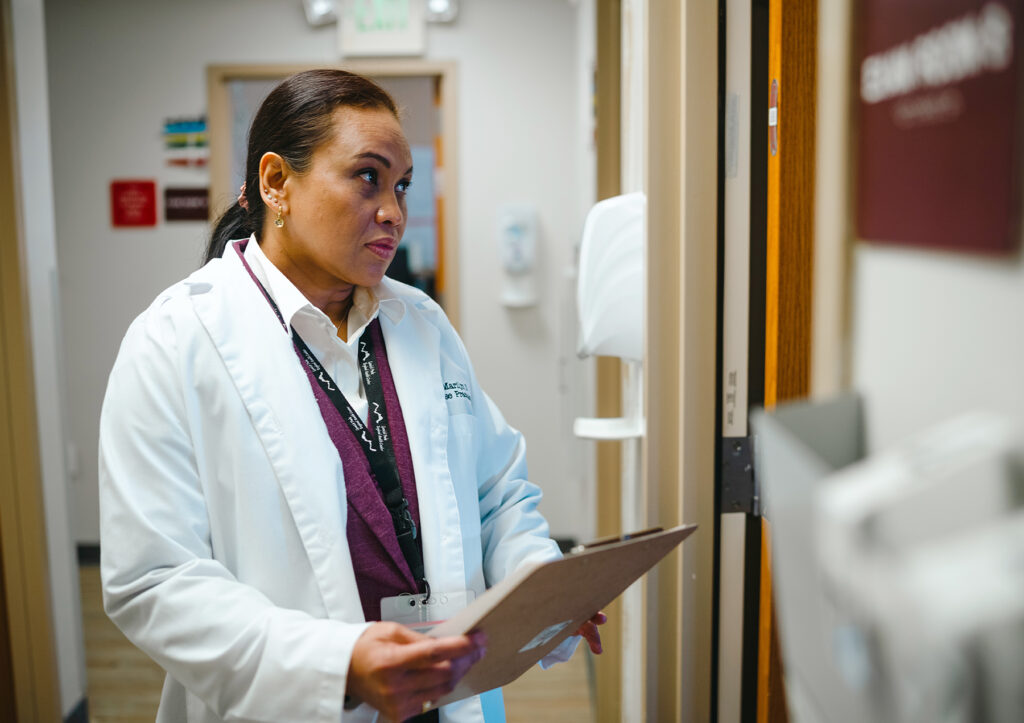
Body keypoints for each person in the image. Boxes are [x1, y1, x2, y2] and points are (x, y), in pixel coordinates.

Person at [98, 69, 604, 723]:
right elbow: (155, 579)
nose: (393, 209)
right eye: (368, 177)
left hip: (444, 694)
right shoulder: (174, 341)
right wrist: (334, 663)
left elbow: (496, 491)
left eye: (401, 184)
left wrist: (542, 586)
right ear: (276, 182)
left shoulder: (421, 322)